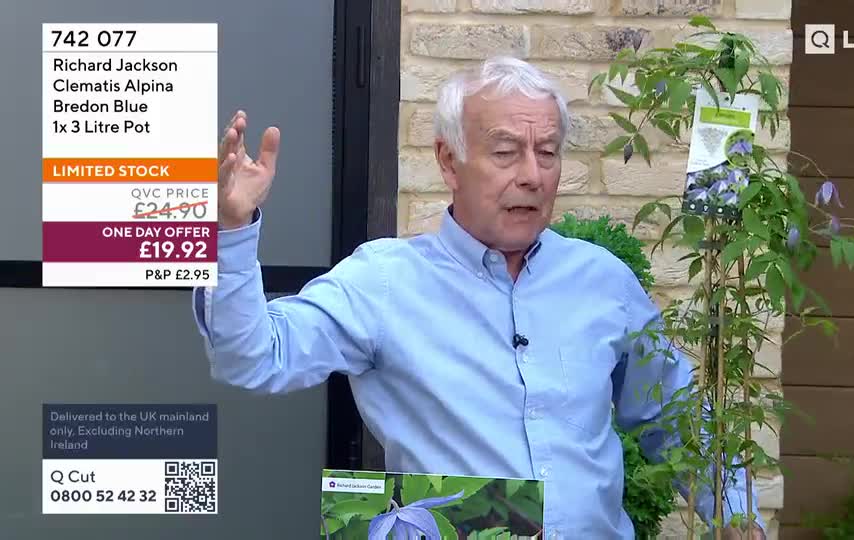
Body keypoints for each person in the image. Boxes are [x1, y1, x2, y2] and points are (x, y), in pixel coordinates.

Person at [192, 55, 765, 539]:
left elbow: (675, 415)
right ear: (449, 160)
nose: (532, 175)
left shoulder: (603, 280)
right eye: (505, 151)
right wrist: (229, 233)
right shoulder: (384, 281)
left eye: (547, 151)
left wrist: (739, 517)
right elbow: (252, 356)